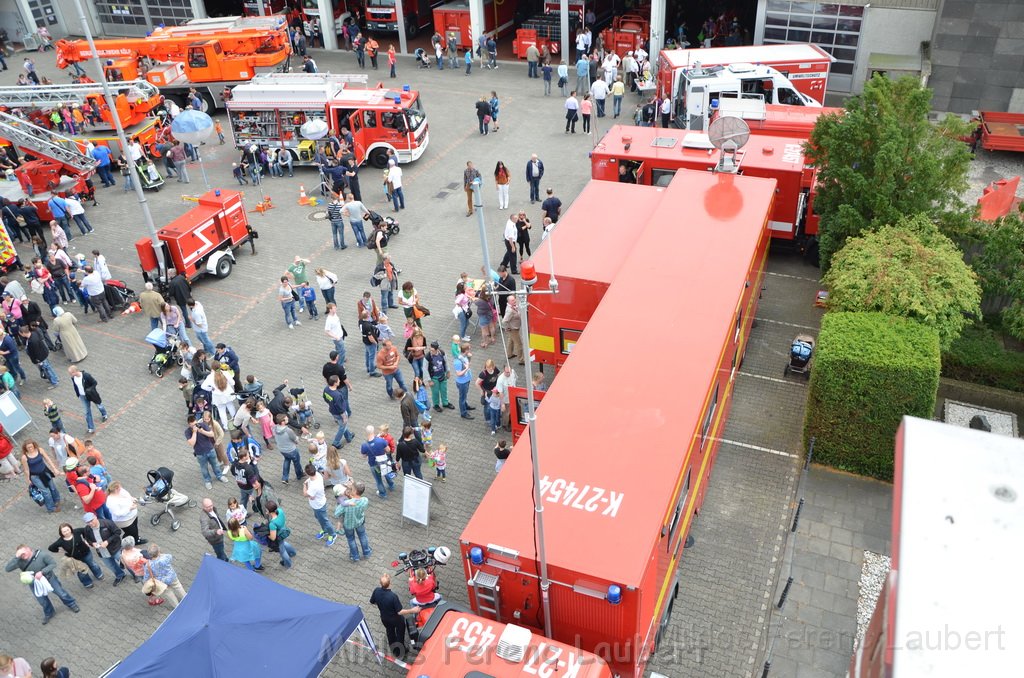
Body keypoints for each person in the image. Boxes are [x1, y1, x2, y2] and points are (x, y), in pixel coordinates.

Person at [5, 544, 80, 624]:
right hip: (34, 582)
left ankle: (71, 603)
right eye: (20, 555)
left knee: (60, 593)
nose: (22, 556)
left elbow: (53, 564)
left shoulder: (41, 555)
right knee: (42, 600)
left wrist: (42, 572)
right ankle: (49, 613)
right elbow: (7, 569)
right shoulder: (19, 561)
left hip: (49, 578)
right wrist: (16, 557)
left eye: (23, 553)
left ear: (28, 549)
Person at [369, 574, 420, 659]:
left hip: (384, 618)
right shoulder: (393, 596)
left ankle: (394, 649)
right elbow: (400, 612)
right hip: (396, 619)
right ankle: (401, 651)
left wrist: (382, 606)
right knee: (400, 634)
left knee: (390, 632)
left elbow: (372, 602)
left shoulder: (376, 590)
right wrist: (413, 610)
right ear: (390, 583)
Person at [48, 522, 105, 588]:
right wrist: (60, 551)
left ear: (70, 529)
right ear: (61, 533)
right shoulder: (60, 541)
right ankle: (87, 583)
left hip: (86, 553)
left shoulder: (76, 531)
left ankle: (99, 575)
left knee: (92, 564)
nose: (67, 532)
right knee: (82, 571)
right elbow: (51, 548)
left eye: (67, 530)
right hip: (75, 559)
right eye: (64, 531)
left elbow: (85, 530)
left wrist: (86, 540)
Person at [82, 512, 126, 584]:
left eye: (91, 520)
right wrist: (92, 543)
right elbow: (87, 539)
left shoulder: (107, 523)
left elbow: (118, 532)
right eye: (88, 522)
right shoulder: (87, 529)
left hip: (115, 548)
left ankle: (135, 574)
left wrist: (107, 542)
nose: (90, 523)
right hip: (102, 552)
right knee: (111, 566)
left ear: (95, 517)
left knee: (125, 561)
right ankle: (120, 575)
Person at [186, 414, 227, 490]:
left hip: (210, 450)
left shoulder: (202, 425)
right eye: (192, 425)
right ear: (189, 425)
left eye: (195, 424)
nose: (195, 426)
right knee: (204, 468)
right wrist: (194, 432)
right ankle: (207, 481)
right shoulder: (188, 432)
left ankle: (220, 476)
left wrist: (202, 431)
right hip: (200, 453)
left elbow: (212, 434)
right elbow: (191, 443)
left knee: (215, 464)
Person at [334, 481, 371, 561]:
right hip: (359, 522)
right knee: (363, 536)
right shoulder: (365, 500)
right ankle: (367, 552)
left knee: (351, 539)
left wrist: (342, 499)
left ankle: (355, 556)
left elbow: (336, 513)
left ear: (354, 491)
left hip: (348, 525)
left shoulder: (347, 503)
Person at [21, 440, 62, 513]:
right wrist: (28, 480)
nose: (30, 448)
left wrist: (54, 469)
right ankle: (51, 508)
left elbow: (48, 459)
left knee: (52, 487)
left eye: (31, 446)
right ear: (25, 448)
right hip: (35, 476)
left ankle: (57, 500)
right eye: (28, 447)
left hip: (45, 472)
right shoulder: (24, 457)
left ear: (34, 445)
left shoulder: (40, 450)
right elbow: (26, 470)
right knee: (46, 491)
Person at [303, 463, 338, 546]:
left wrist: (304, 485)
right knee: (319, 518)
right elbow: (310, 494)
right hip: (317, 504)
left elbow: (305, 494)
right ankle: (325, 530)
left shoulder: (314, 486)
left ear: (307, 473)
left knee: (325, 520)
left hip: (318, 505)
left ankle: (332, 534)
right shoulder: (317, 475)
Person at [67, 366, 107, 434]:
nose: (70, 375)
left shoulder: (86, 376)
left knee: (99, 405)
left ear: (75, 371)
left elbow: (95, 383)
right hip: (83, 396)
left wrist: (90, 390)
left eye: (71, 373)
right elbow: (75, 386)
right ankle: (91, 428)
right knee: (87, 412)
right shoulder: (73, 378)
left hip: (91, 395)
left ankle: (104, 414)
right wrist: (78, 395)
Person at [106, 480, 146, 546]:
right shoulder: (111, 501)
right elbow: (118, 513)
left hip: (133, 515)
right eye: (119, 487)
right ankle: (125, 542)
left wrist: (132, 498)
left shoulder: (120, 490)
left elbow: (127, 495)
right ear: (116, 489)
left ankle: (136, 539)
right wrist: (130, 509)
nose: (121, 488)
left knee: (135, 529)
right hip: (124, 521)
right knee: (131, 532)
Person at [360, 425, 395, 498]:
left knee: (378, 480)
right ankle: (391, 485)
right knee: (386, 473)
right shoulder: (381, 440)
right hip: (383, 462)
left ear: (366, 433)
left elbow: (363, 456)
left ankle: (383, 494)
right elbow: (388, 450)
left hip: (374, 465)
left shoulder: (364, 445)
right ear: (373, 431)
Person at [266, 500, 297, 568]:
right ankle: (293, 552)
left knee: (282, 550)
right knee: (284, 543)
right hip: (284, 530)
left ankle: (287, 563)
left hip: (279, 536)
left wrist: (267, 535)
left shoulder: (272, 523)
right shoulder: (280, 511)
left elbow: (273, 537)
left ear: (268, 511)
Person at [453, 344, 474, 419]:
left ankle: (466, 406)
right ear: (466, 350)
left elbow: (467, 363)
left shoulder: (464, 357)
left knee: (464, 395)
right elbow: (458, 374)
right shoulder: (458, 361)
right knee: (462, 397)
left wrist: (469, 358)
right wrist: (466, 369)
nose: (470, 350)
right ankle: (463, 413)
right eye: (469, 349)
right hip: (462, 383)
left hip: (466, 380)